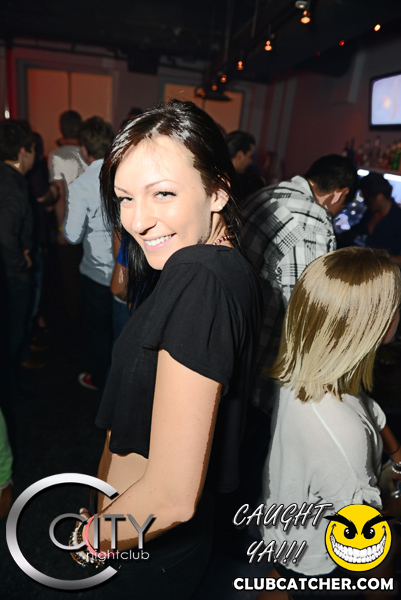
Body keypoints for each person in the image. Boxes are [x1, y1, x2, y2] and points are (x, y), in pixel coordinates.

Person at [69, 99, 262, 599]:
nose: (139, 221)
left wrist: (93, 540)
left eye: (163, 193)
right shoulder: (215, 265)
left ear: (217, 190)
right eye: (125, 198)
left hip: (146, 546)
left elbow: (173, 497)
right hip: (142, 532)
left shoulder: (200, 277)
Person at [257, 246, 401, 600]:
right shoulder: (342, 435)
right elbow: (363, 530)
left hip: (287, 517)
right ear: (374, 324)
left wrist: (395, 451)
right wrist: (395, 509)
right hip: (320, 552)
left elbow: (365, 405)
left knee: (284, 577)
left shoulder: (306, 366)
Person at [63, 116, 115, 391]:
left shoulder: (81, 185)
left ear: (84, 149)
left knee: (98, 334)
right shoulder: (124, 177)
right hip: (125, 271)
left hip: (95, 274)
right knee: (120, 332)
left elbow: (72, 236)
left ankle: (101, 382)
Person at [337, 171, 401, 262]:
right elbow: (355, 232)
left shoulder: (398, 219)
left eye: (367, 199)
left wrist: (382, 261)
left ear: (379, 197)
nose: (365, 203)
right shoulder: (370, 213)